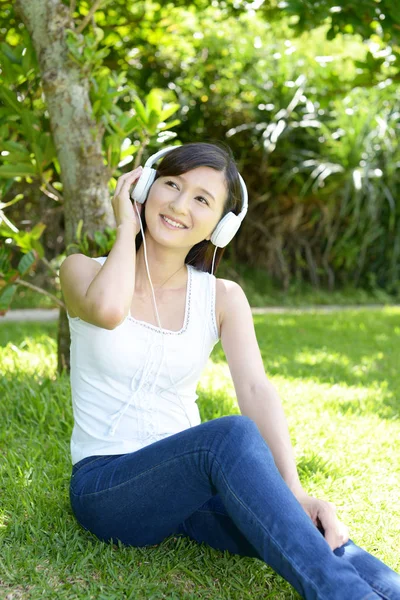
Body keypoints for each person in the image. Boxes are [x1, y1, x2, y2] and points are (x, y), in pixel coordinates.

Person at [60, 142, 400, 600]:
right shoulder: (81, 270)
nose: (180, 205)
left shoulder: (222, 297)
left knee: (304, 530)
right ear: (144, 188)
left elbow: (256, 390)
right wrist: (126, 226)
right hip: (108, 488)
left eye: (202, 199)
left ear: (221, 226)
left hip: (192, 485)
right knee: (230, 437)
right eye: (172, 185)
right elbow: (106, 308)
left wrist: (295, 493)